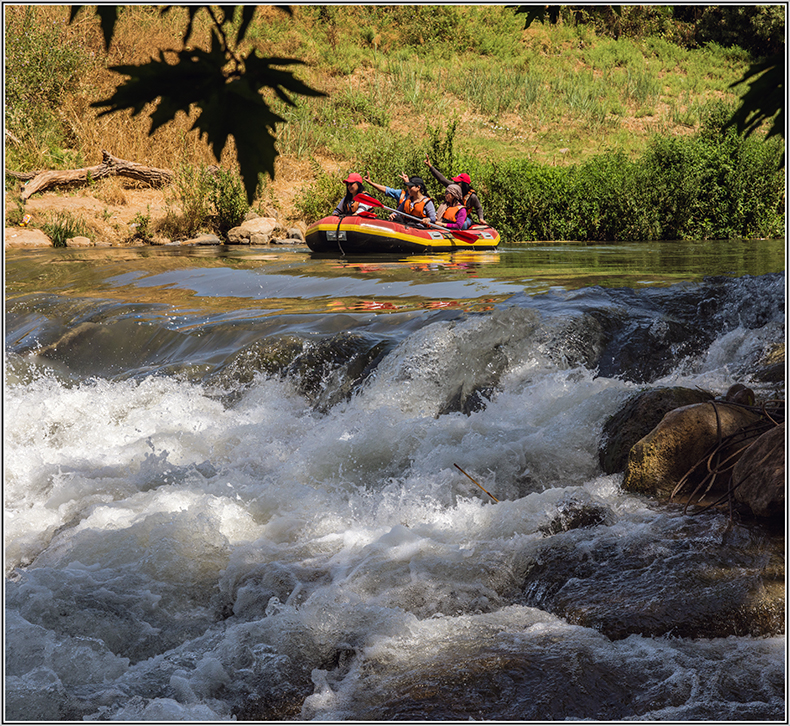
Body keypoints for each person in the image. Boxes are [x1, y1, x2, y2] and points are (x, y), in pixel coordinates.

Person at [424, 154, 486, 227]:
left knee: (464, 224)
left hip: (464, 218)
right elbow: (442, 179)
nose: (455, 184)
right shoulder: (453, 188)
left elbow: (478, 207)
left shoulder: (472, 196)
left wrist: (481, 218)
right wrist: (430, 167)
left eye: (457, 182)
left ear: (463, 184)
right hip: (451, 216)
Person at [364, 173, 436, 226]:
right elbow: (398, 211)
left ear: (418, 188)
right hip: (406, 225)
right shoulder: (407, 200)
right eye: (408, 187)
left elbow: (433, 218)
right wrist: (393, 214)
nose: (408, 189)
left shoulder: (427, 202)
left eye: (410, 187)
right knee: (397, 219)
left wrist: (428, 219)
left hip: (419, 227)